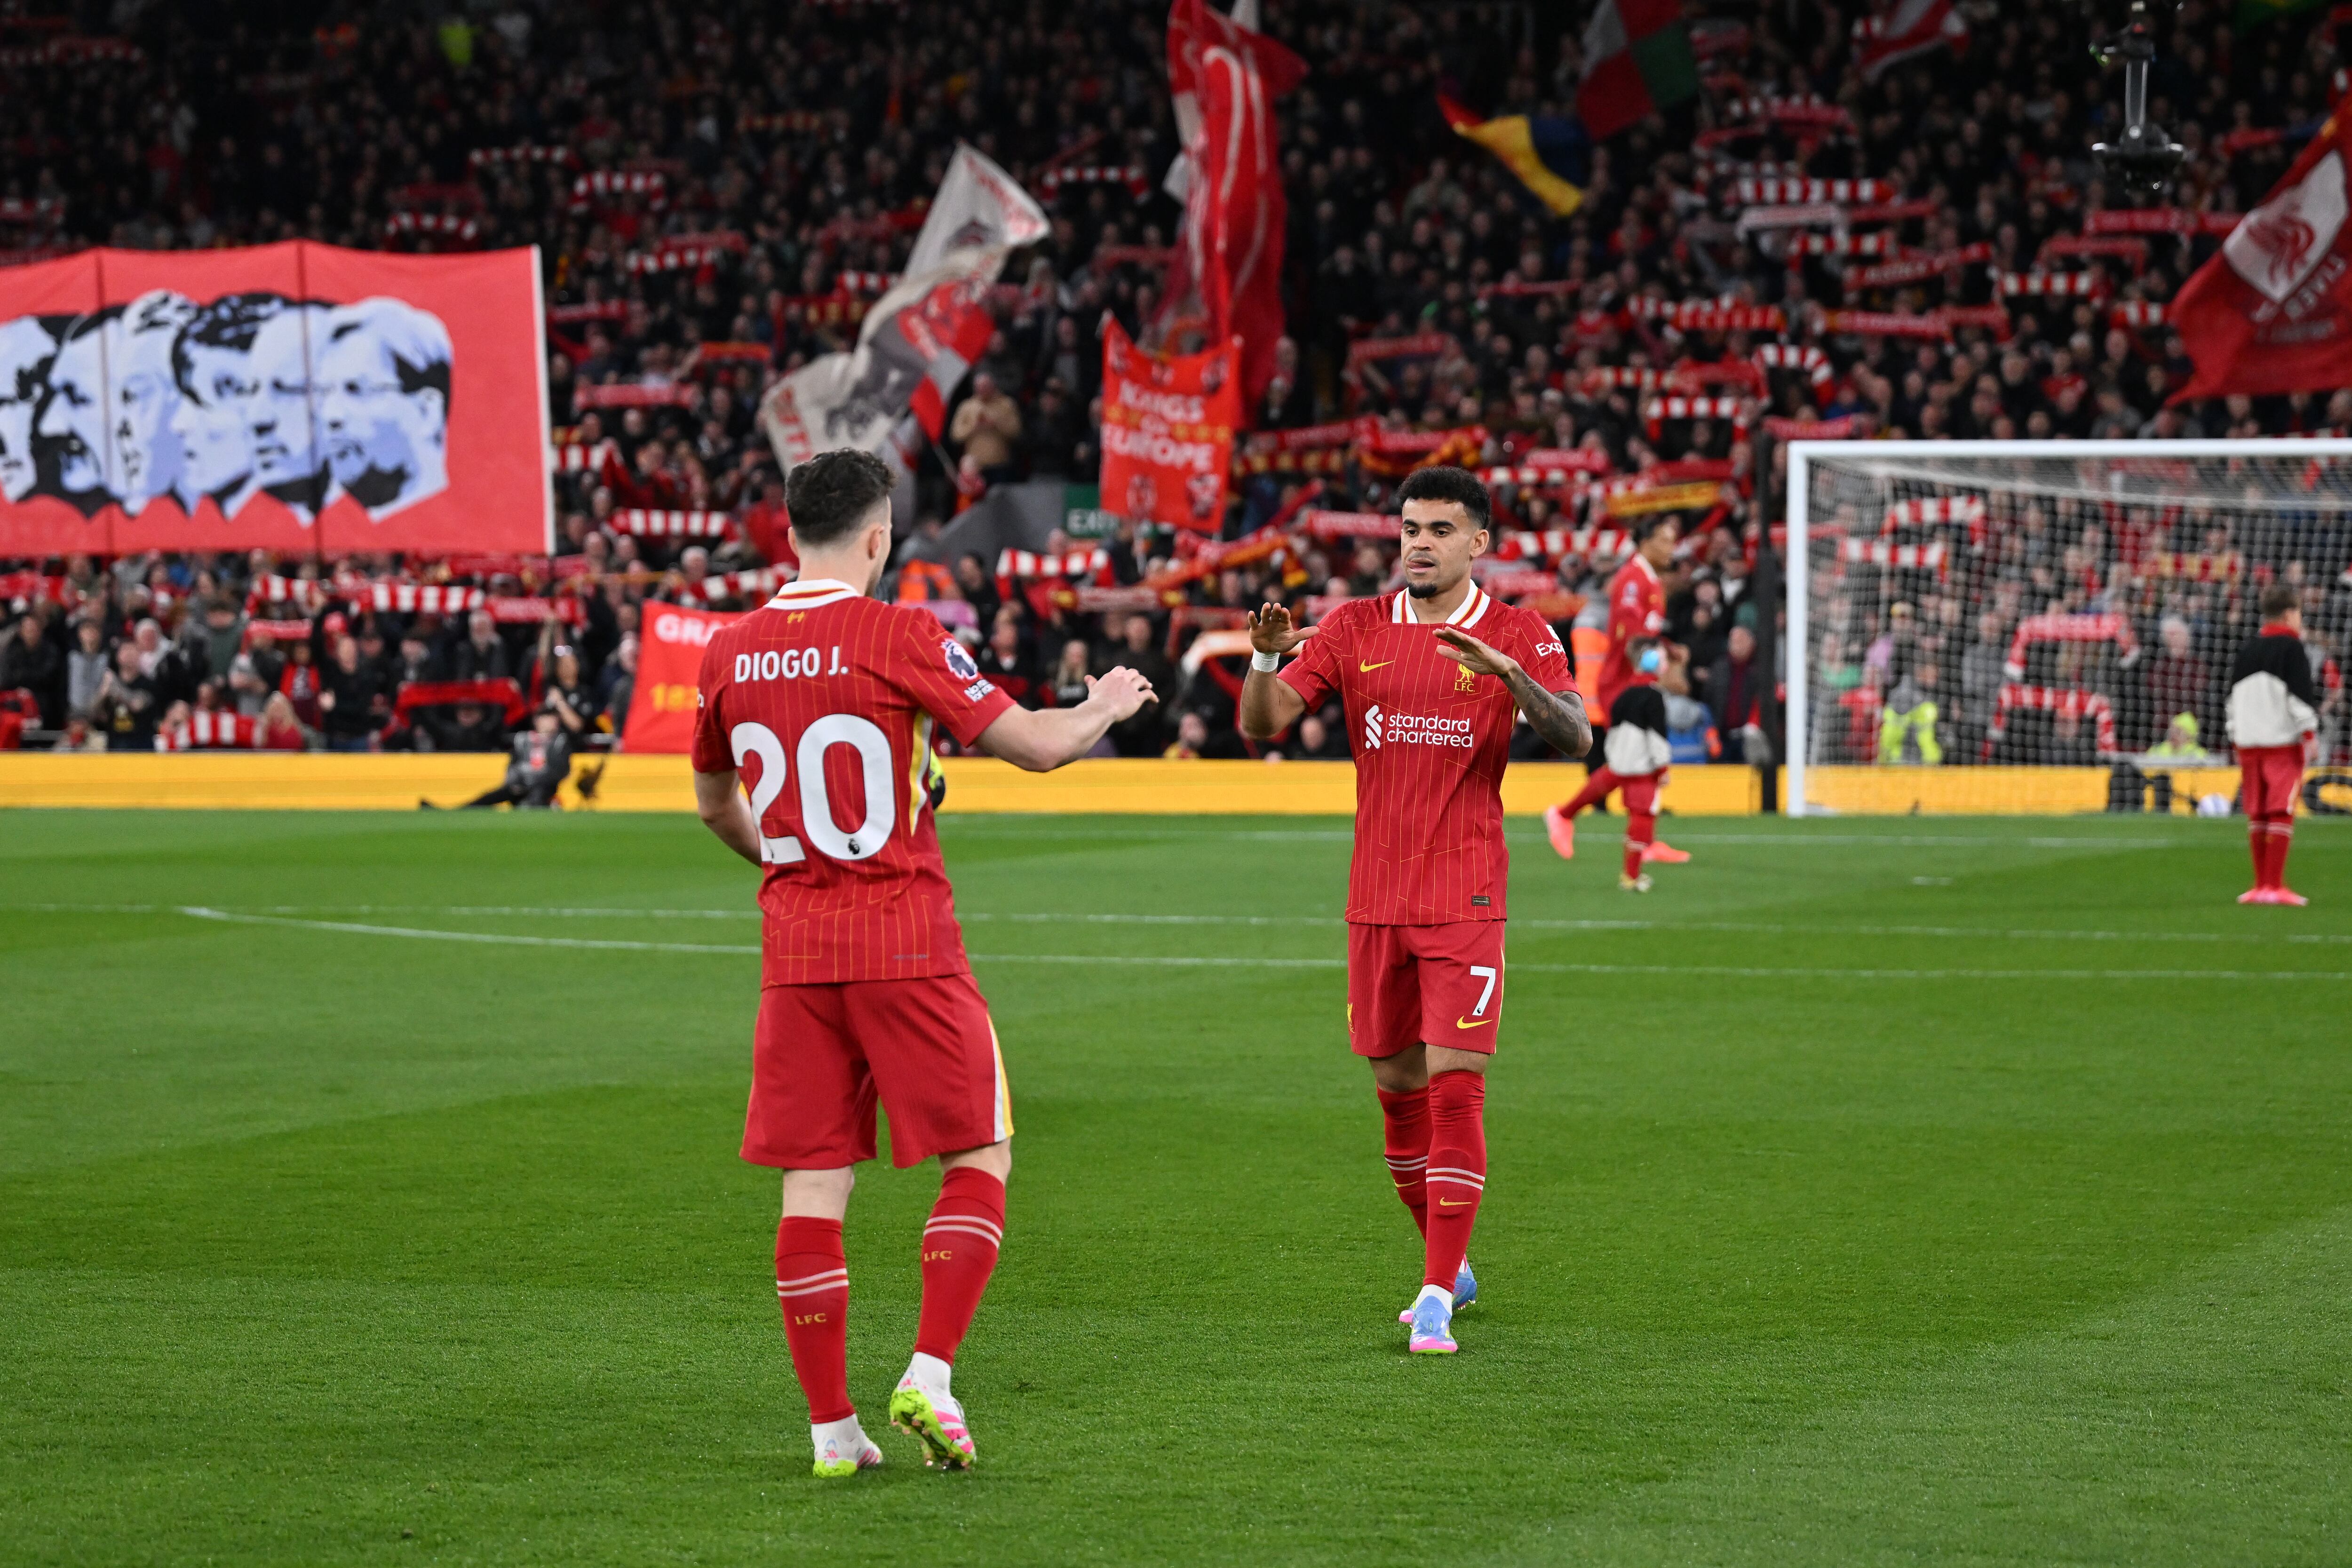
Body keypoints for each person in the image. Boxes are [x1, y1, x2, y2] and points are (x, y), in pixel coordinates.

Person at [686, 448, 1155, 1478]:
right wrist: (1107, 705)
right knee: (977, 1150)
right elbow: (1031, 745)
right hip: (903, 936)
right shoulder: (898, 631)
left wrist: (785, 855)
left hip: (794, 949)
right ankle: (931, 1373)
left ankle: (830, 1432)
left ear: (790, 532)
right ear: (875, 534)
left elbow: (717, 802)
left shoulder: (729, 650)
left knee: (814, 1183)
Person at [1238, 463, 1589, 1358]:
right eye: (1410, 529)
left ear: (1479, 542)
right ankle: (1453, 1260)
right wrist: (1266, 655)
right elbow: (1264, 720)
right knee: (1397, 1100)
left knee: (1455, 1086)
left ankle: (1434, 1292)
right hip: (1376, 900)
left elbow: (1578, 736)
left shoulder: (1519, 633)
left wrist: (1510, 675)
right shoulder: (1356, 627)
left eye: (1439, 529)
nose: (1419, 544)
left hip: (1467, 893)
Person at [1545, 514, 1687, 864]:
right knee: (1630, 767)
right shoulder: (1633, 581)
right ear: (1647, 541)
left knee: (1644, 765)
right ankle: (1564, 815)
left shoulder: (1649, 581)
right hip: (1623, 689)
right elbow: (1632, 641)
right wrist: (1664, 668)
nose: (1672, 547)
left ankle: (1645, 840)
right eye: (1666, 540)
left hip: (1638, 686)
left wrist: (1667, 649)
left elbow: (1645, 633)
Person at [2227, 583, 2320, 906]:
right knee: (2282, 810)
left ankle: (2259, 886)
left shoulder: (2247, 649)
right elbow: (2299, 697)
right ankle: (2275, 885)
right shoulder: (2293, 649)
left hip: (2249, 741)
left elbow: (2232, 702)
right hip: (2281, 741)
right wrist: (2310, 734)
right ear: (2290, 614)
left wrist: (2235, 734)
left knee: (2258, 812)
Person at [434, 701, 573, 808]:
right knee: (493, 796)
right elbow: (513, 766)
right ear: (536, 720)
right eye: (545, 717)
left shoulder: (561, 742)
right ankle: (459, 810)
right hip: (520, 785)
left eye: (551, 717)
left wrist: (532, 780)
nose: (549, 721)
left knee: (538, 795)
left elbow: (560, 770)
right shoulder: (523, 740)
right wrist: (516, 781)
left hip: (544, 787)